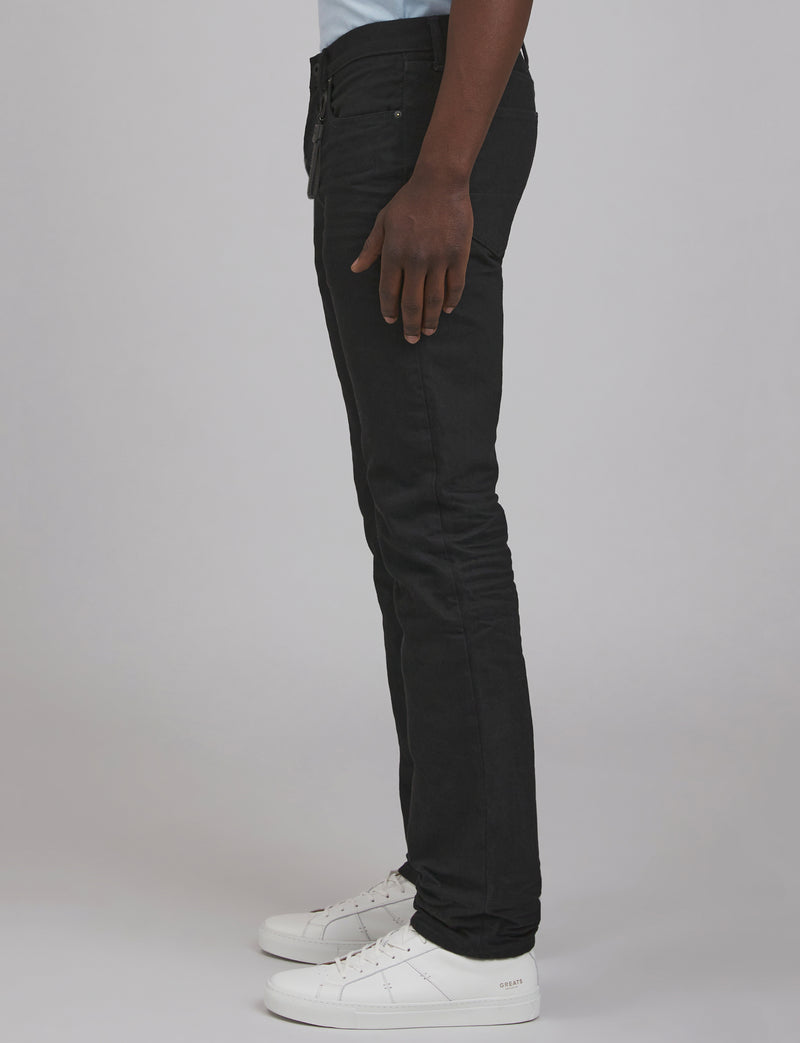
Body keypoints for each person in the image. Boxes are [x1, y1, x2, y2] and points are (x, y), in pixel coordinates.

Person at [260, 0, 541, 1028]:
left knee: (436, 513)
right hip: (377, 95)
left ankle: (478, 934)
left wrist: (442, 171)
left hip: (417, 104)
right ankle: (445, 871)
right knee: (406, 513)